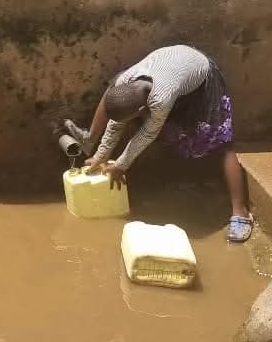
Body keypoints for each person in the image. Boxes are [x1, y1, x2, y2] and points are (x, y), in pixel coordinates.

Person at [81, 45, 253, 242]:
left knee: (220, 140)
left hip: (200, 74)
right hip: (175, 65)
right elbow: (115, 124)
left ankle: (241, 211)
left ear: (141, 108)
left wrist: (120, 166)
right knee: (173, 133)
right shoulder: (124, 82)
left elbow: (146, 135)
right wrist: (100, 155)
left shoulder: (161, 99)